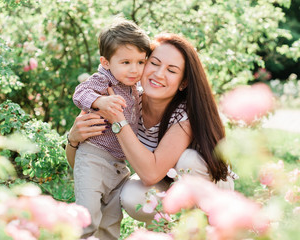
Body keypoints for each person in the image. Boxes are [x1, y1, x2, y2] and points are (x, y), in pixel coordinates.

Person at [66, 33, 236, 228]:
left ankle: (205, 229)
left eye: (171, 70)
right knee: (131, 195)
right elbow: (84, 164)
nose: (159, 74)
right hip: (168, 182)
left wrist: (118, 120)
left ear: (183, 82)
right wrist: (74, 139)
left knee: (188, 160)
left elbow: (150, 174)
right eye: (154, 63)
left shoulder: (184, 115)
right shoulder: (126, 97)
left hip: (210, 188)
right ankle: (165, 229)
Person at [71, 18, 151, 240]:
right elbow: (80, 93)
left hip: (118, 166)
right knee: (88, 217)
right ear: (106, 62)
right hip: (93, 158)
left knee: (110, 222)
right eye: (125, 62)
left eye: (140, 62)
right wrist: (99, 102)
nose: (134, 69)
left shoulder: (134, 86)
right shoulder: (103, 80)